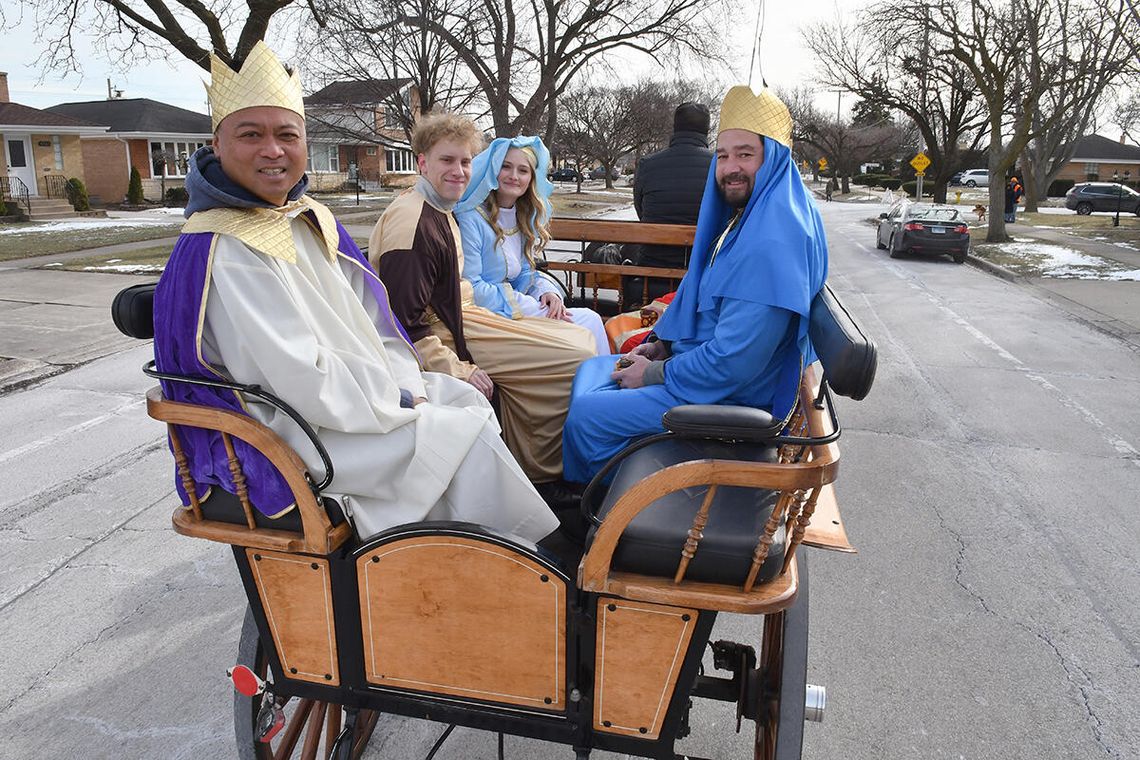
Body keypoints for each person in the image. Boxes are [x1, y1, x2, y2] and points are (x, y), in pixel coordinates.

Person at [152, 42, 557, 543]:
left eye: (287, 135)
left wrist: (410, 381)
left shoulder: (308, 217)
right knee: (461, 435)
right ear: (218, 143)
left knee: (463, 403)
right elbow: (295, 375)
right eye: (251, 135)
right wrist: (396, 398)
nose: (273, 150)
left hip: (357, 396)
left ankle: (464, 561)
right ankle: (494, 563)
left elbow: (374, 320)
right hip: (299, 427)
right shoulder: (224, 246)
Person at [562, 86, 829, 484]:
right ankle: (613, 480)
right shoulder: (754, 216)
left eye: (745, 154)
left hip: (732, 398)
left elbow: (733, 363)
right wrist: (663, 345)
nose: (729, 167)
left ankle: (594, 510)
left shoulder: (772, 241)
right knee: (594, 367)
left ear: (772, 157)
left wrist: (655, 374)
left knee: (587, 415)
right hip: (712, 376)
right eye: (722, 156)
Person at [369, 114, 596, 492]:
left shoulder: (438, 210)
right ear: (422, 162)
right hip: (447, 332)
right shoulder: (414, 224)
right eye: (447, 160)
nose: (459, 171)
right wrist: (458, 370)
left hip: (464, 316)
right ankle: (545, 475)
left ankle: (534, 462)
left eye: (465, 161)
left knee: (580, 339)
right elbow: (401, 324)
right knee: (575, 353)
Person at [455, 136, 608, 354]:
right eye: (505, 167)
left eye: (523, 170)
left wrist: (546, 293)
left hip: (514, 309)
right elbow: (472, 287)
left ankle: (601, 384)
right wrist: (529, 306)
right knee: (587, 324)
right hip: (488, 319)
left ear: (531, 179)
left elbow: (524, 272)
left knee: (589, 321)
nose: (514, 176)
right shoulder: (472, 219)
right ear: (493, 170)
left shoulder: (523, 217)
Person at [627, 102, 714, 305]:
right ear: (706, 130)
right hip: (701, 270)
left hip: (653, 267)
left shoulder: (648, 164)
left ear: (675, 127)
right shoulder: (718, 164)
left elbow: (641, 210)